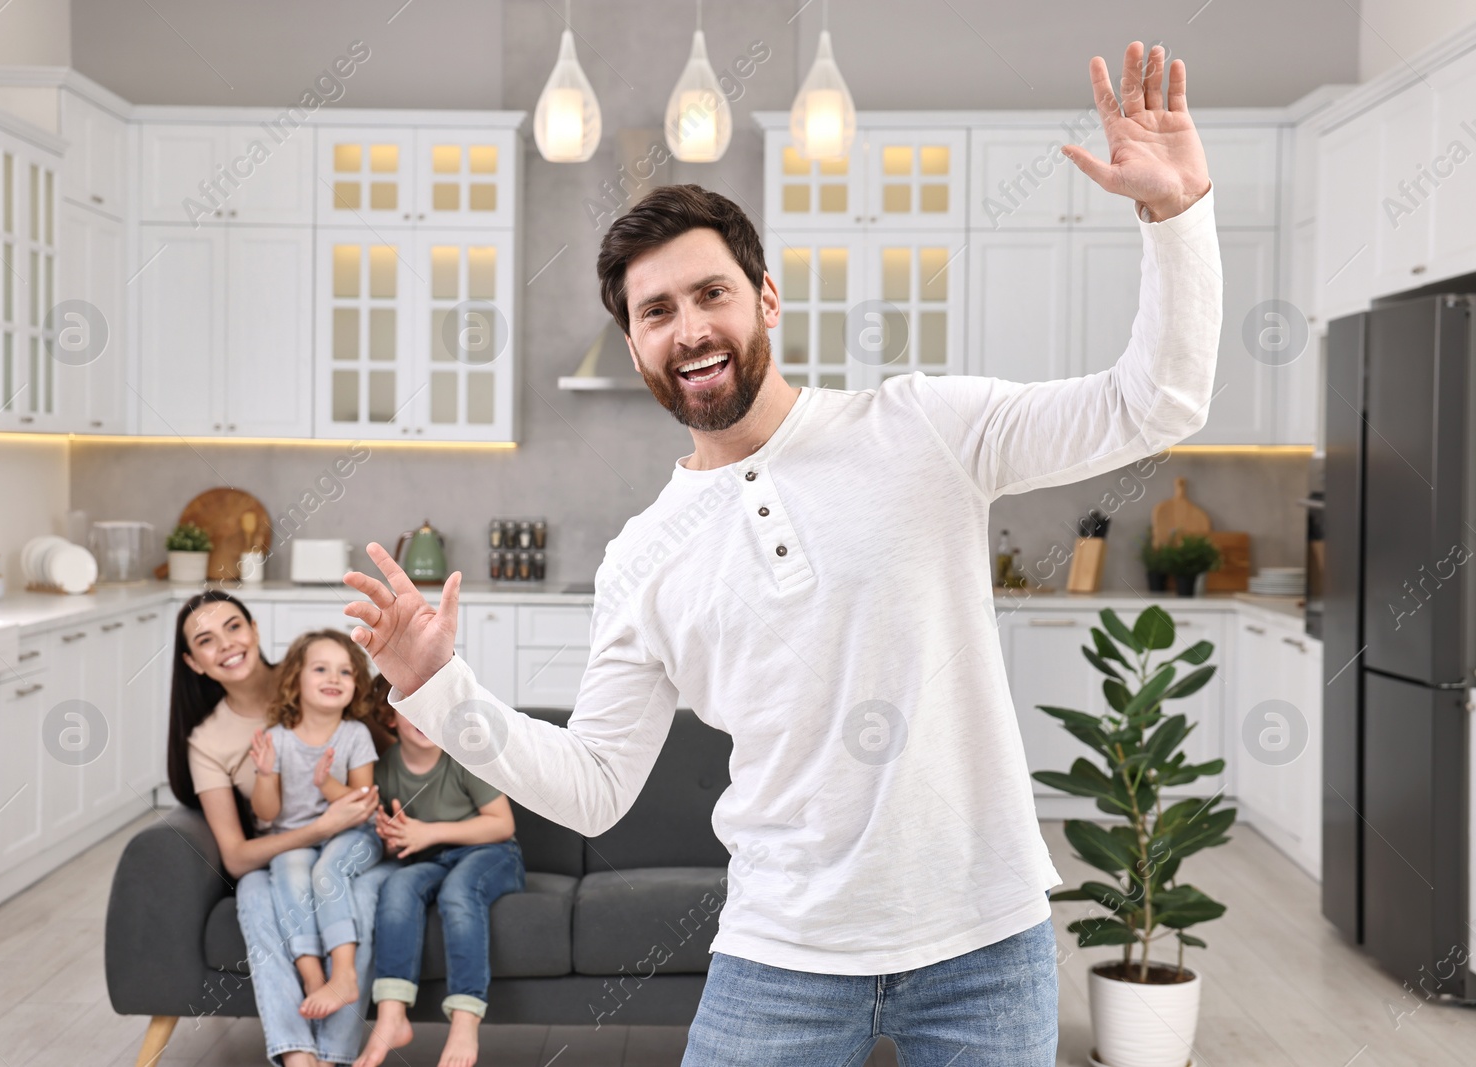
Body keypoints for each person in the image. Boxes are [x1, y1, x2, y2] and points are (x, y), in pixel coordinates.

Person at [344, 42, 1219, 1067]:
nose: (688, 327)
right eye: (655, 312)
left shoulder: (924, 426)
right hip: (780, 955)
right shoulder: (644, 557)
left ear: (764, 297)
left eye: (709, 293)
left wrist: (1177, 214)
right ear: (634, 349)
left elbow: (1155, 402)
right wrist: (439, 690)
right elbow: (592, 788)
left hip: (982, 940)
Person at [166, 591, 387, 1067]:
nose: (226, 644)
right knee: (253, 893)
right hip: (284, 848)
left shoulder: (314, 674)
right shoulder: (207, 741)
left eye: (234, 626)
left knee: (359, 895)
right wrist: (316, 826)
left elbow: (384, 744)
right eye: (206, 640)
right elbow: (237, 855)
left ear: (255, 630)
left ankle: (332, 1055)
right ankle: (299, 1057)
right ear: (194, 663)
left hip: (350, 842)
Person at [353, 673, 526, 1067]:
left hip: (491, 853)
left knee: (458, 893)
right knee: (397, 887)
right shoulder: (382, 770)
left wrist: (427, 832)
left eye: (432, 707)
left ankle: (465, 1020)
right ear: (390, 717)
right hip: (431, 859)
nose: (424, 716)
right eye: (411, 708)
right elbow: (397, 839)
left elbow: (502, 824)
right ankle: (392, 1017)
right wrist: (393, 838)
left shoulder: (463, 756)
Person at [251, 631, 383, 1021]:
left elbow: (362, 802)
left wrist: (327, 786)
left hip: (354, 833)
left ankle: (342, 974)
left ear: (356, 684)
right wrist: (262, 774)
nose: (334, 678)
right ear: (296, 679)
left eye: (345, 672)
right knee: (290, 869)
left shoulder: (355, 735)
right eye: (321, 669)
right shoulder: (276, 740)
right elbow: (268, 814)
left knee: (327, 870)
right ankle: (312, 977)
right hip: (296, 839)